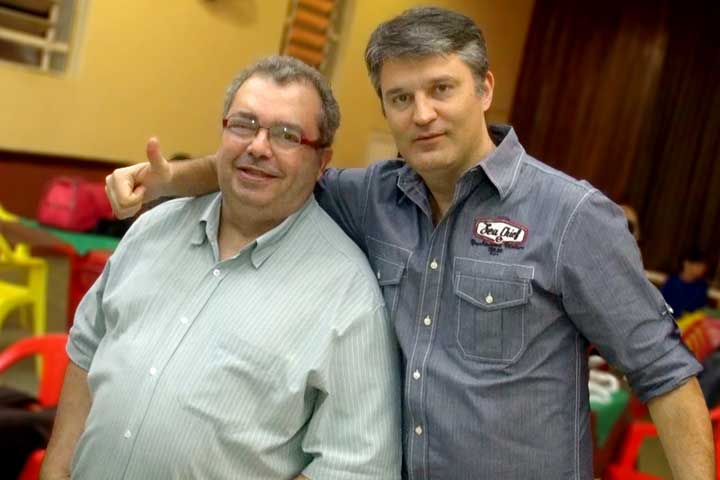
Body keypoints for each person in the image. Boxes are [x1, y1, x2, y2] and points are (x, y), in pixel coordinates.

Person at [104, 7, 714, 479]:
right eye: (401, 98)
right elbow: (276, 164)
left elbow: (665, 376)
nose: (422, 114)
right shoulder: (370, 197)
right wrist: (170, 180)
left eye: (441, 89)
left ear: (484, 89)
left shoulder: (571, 217)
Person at [41, 56, 401, 480]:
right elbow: (87, 349)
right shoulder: (152, 231)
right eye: (244, 125)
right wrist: (55, 470)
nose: (258, 147)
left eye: (287, 135)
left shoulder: (349, 296)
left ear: (322, 162)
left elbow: (353, 466)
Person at [661, 250, 710, 317]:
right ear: (687, 264)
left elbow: (701, 309)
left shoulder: (701, 286)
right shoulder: (672, 282)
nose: (702, 269)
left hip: (689, 321)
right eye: (698, 265)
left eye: (704, 266)